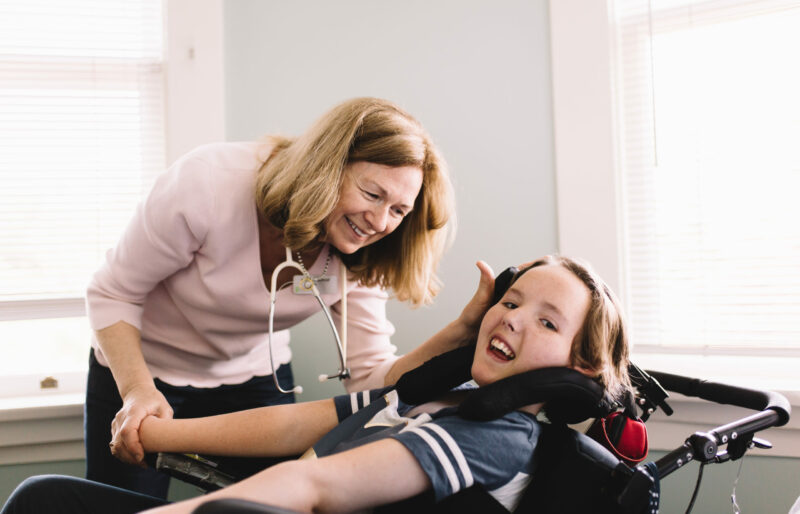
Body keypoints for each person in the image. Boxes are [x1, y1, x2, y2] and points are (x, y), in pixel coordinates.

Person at [4, 255, 631, 513]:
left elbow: (316, 482)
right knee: (43, 499)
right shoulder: (434, 394)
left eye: (546, 321)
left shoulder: (497, 438)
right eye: (512, 300)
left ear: (579, 367)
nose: (514, 318)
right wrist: (161, 431)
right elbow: (295, 424)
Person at [83, 97, 461, 498]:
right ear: (327, 167)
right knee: (125, 505)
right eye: (372, 194)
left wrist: (460, 334)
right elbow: (113, 292)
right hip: (141, 370)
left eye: (399, 210)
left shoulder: (365, 252)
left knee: (266, 505)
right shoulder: (209, 183)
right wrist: (138, 391)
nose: (381, 222)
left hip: (253, 379)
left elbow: (369, 376)